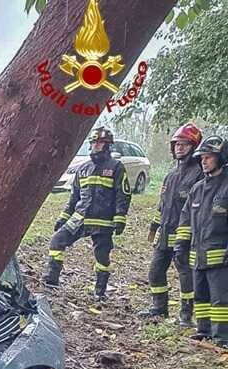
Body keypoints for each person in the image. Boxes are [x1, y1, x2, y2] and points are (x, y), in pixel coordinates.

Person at [43, 127, 131, 299]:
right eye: (94, 142)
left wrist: (120, 217)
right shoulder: (83, 168)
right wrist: (64, 217)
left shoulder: (116, 167)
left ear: (108, 145)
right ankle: (51, 280)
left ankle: (100, 291)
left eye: (100, 142)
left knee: (102, 257)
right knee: (56, 241)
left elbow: (123, 194)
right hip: (80, 218)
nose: (96, 146)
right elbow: (74, 197)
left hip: (102, 221)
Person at [140, 123, 203, 324]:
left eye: (184, 144)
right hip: (165, 234)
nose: (179, 148)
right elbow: (163, 205)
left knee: (185, 274)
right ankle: (159, 308)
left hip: (185, 236)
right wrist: (153, 228)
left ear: (194, 147)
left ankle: (186, 315)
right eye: (177, 144)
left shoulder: (199, 175)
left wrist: (190, 237)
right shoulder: (171, 175)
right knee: (155, 271)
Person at [175, 135, 228, 345]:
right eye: (202, 157)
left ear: (221, 157)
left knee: (221, 301)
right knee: (201, 297)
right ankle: (204, 330)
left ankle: (222, 336)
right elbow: (185, 220)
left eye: (209, 157)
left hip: (221, 258)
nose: (204, 161)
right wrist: (180, 246)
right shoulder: (197, 189)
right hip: (198, 255)